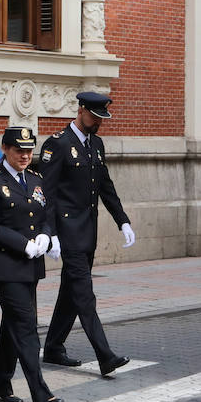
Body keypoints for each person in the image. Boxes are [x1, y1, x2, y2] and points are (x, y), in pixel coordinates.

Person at [39, 91, 133, 376]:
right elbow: (47, 193)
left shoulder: (97, 144)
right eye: (94, 117)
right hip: (67, 234)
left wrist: (123, 221)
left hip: (87, 233)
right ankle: (105, 355)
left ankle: (54, 347)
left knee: (71, 292)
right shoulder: (57, 145)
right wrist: (51, 233)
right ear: (80, 110)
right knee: (84, 294)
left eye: (102, 118)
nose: (98, 123)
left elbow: (106, 186)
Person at [0, 126, 63, 402]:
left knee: (13, 324)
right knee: (27, 327)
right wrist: (23, 244)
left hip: (30, 265)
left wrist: (46, 235)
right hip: (6, 264)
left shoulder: (35, 179)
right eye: (19, 150)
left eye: (29, 150)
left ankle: (0, 384)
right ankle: (41, 393)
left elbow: (45, 213)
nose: (25, 155)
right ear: (5, 149)